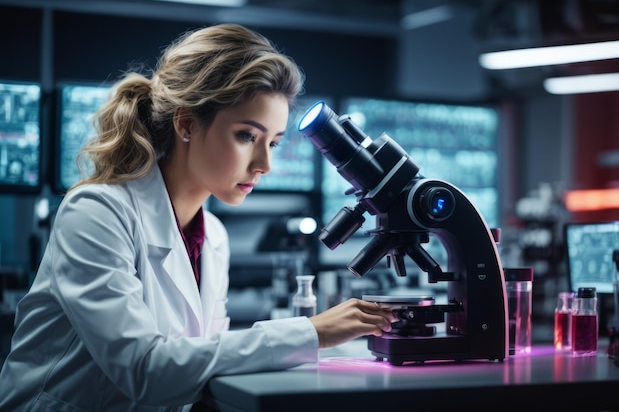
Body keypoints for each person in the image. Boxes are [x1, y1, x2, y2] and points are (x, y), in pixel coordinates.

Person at [0, 23, 397, 411]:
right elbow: (144, 371)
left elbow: (201, 360)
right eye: (247, 136)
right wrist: (311, 332)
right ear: (187, 124)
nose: (265, 164)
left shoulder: (215, 237)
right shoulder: (96, 212)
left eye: (273, 143)